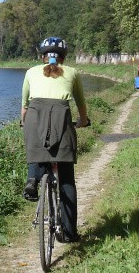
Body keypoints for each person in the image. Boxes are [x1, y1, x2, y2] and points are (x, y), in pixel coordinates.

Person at [20, 36, 89, 243]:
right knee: (66, 178)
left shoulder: (31, 72)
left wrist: (25, 124)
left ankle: (33, 179)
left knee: (37, 152)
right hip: (63, 119)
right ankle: (68, 233)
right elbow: (81, 105)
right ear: (63, 57)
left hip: (34, 118)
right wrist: (82, 121)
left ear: (42, 57)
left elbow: (24, 105)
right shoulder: (73, 73)